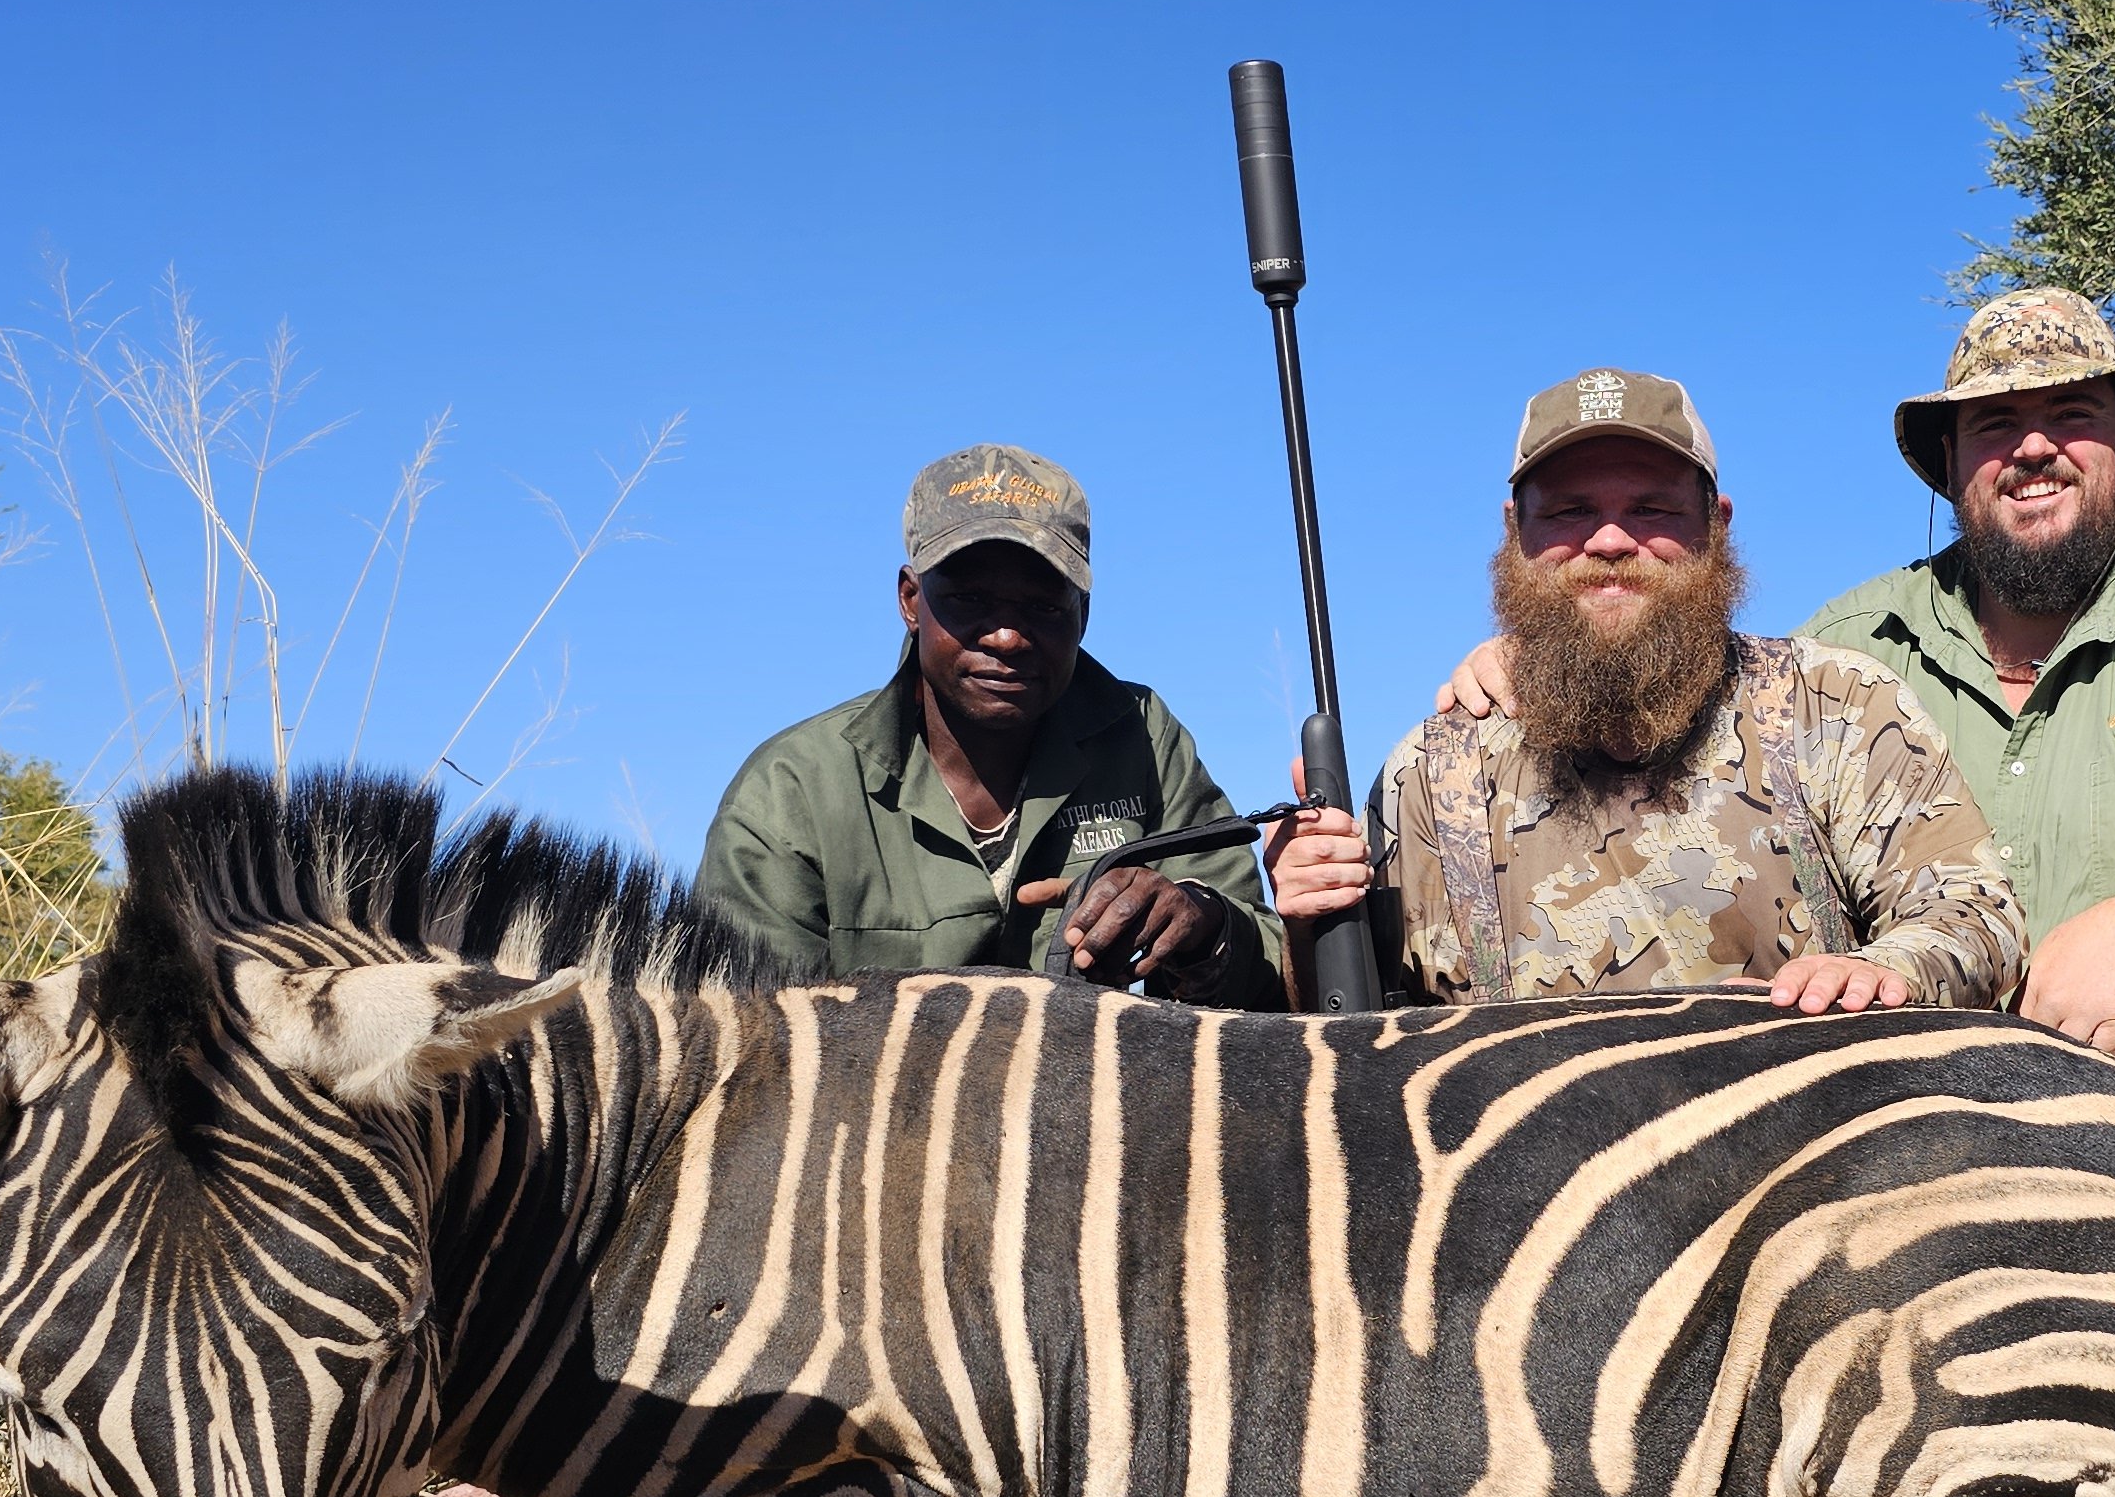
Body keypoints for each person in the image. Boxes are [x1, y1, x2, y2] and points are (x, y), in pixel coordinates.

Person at [1432, 293, 2115, 1196]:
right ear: (1948, 464)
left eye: (2072, 412)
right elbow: (1672, 689)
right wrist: (1561, 646)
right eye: (1992, 424)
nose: (2033, 447)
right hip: (1902, 1095)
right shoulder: (1848, 647)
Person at [1266, 368, 2021, 1013]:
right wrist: (1309, 919)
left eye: (1651, 508)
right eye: (1570, 512)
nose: (1608, 541)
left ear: (1715, 526)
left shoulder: (1835, 703)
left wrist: (1887, 972)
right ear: (1514, 536)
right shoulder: (1433, 771)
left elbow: (1976, 913)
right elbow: (1353, 1028)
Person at [700, 444, 1282, 1003]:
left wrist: (1204, 929)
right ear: (909, 600)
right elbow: (751, 1041)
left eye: (1044, 607)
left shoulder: (1145, 738)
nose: (1006, 637)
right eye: (970, 600)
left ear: (1084, 613)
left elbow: (1271, 961)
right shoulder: (792, 790)